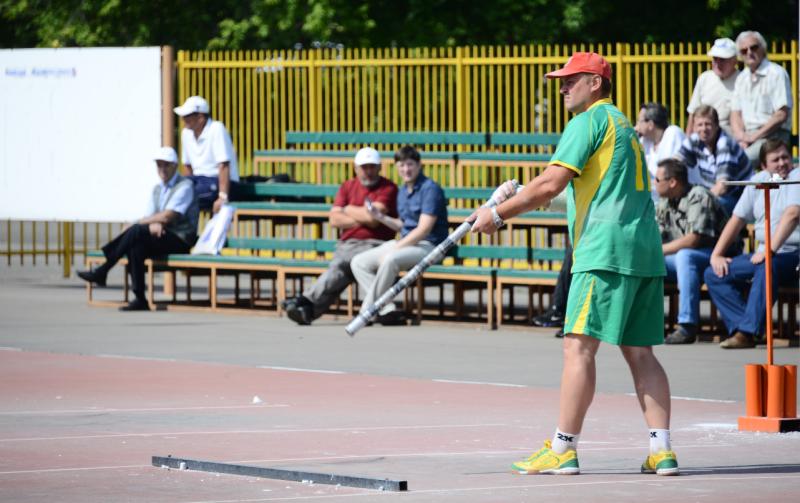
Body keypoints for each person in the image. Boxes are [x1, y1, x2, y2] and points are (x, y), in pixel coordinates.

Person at [471, 52, 677, 476]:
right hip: (643, 249)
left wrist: (496, 215)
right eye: (561, 81)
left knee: (577, 348)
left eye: (571, 80)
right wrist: (517, 200)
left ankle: (564, 448)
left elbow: (551, 182)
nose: (563, 87)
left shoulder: (587, 121)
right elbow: (564, 188)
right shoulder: (621, 124)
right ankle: (663, 450)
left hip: (603, 250)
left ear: (596, 83)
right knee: (641, 353)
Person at [282, 147, 398, 325]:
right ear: (355, 168)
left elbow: (373, 220)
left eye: (372, 167)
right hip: (348, 244)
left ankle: (305, 302)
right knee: (341, 271)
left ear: (380, 167)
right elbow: (334, 219)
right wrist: (363, 217)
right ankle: (308, 310)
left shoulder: (388, 187)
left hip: (375, 244)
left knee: (340, 265)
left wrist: (347, 209)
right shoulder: (347, 186)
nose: (368, 171)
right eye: (364, 167)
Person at [704, 140, 800, 349]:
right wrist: (716, 254)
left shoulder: (797, 178)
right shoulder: (757, 182)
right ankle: (749, 328)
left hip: (793, 255)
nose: (783, 163)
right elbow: (737, 220)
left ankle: (747, 331)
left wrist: (770, 251)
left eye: (786, 157)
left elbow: (793, 214)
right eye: (776, 160)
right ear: (764, 166)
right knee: (714, 273)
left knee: (767, 267)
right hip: (764, 254)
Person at [76, 147, 199, 311]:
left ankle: (104, 269)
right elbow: (151, 216)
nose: (162, 169)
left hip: (181, 239)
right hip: (161, 235)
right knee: (136, 243)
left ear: (175, 166)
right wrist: (151, 223)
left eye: (166, 165)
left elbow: (168, 216)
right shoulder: (157, 189)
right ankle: (140, 298)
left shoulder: (184, 186)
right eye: (159, 165)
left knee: (136, 231)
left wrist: (148, 223)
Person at [350, 145, 449, 326]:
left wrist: (397, 247)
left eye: (410, 164)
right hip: (407, 243)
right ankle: (384, 307)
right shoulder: (403, 190)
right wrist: (380, 217)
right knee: (358, 262)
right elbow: (403, 225)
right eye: (401, 165)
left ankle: (366, 311)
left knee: (391, 259)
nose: (406, 169)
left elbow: (423, 230)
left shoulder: (430, 189)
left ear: (419, 165)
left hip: (430, 246)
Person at [655, 158, 731, 344]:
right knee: (645, 261)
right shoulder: (666, 201)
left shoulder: (698, 195)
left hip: (715, 256)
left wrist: (656, 251)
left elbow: (693, 239)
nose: (654, 184)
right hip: (683, 259)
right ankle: (644, 322)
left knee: (684, 256)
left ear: (672, 182)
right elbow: (656, 236)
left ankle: (687, 325)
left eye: (657, 180)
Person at [729, 31, 793, 168]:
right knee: (722, 159)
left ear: (763, 49)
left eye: (754, 47)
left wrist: (753, 137)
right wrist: (742, 137)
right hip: (748, 138)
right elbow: (735, 114)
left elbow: (781, 114)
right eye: (744, 50)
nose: (749, 52)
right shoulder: (742, 78)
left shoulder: (776, 73)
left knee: (738, 164)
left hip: (773, 137)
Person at [677, 105, 752, 214]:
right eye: (699, 125)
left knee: (702, 208)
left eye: (708, 124)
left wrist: (696, 200)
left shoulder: (724, 144)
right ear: (693, 127)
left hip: (741, 198)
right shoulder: (694, 140)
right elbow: (675, 165)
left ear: (716, 126)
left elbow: (722, 187)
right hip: (719, 194)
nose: (703, 129)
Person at [174, 95, 239, 213]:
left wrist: (222, 197)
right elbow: (187, 167)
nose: (183, 119)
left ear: (200, 117)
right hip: (199, 182)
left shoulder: (216, 128)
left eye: (187, 116)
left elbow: (223, 165)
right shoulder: (186, 133)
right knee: (174, 192)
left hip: (221, 183)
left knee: (181, 198)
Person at [686, 38, 740, 136]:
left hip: (729, 134)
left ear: (734, 61)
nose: (717, 63)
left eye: (722, 60)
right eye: (715, 59)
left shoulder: (742, 80)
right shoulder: (705, 78)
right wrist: (688, 140)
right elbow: (693, 113)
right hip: (703, 132)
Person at [635, 102, 686, 200]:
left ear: (650, 124)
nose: (636, 125)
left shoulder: (673, 134)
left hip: (677, 198)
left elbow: (672, 173)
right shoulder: (645, 141)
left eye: (639, 121)